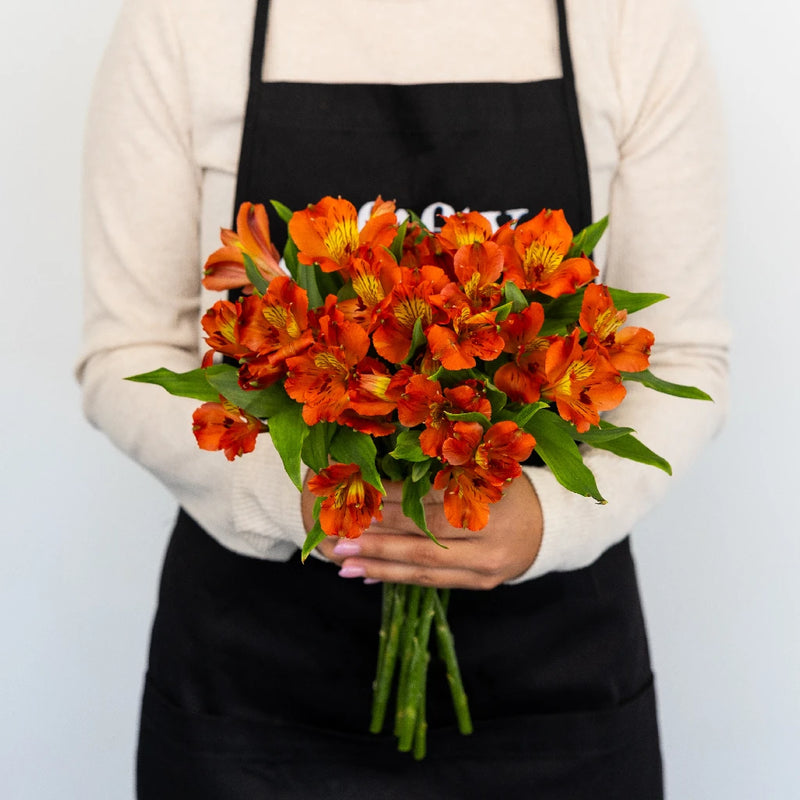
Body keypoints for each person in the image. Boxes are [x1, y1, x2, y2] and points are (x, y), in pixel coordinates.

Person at [78, 0, 728, 797]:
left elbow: (686, 355)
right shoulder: (184, 20)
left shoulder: (630, 20)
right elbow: (125, 354)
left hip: (556, 692)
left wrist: (551, 519)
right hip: (253, 697)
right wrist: (292, 499)